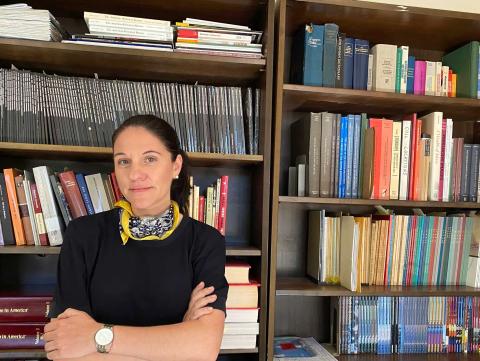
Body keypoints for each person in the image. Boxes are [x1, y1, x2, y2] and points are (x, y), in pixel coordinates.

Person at [43, 115, 228, 361]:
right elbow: (65, 349)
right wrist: (178, 343)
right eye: (124, 161)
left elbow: (204, 348)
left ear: (176, 165)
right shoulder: (83, 234)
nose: (135, 174)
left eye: (150, 159)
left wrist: (94, 337)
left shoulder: (205, 241)